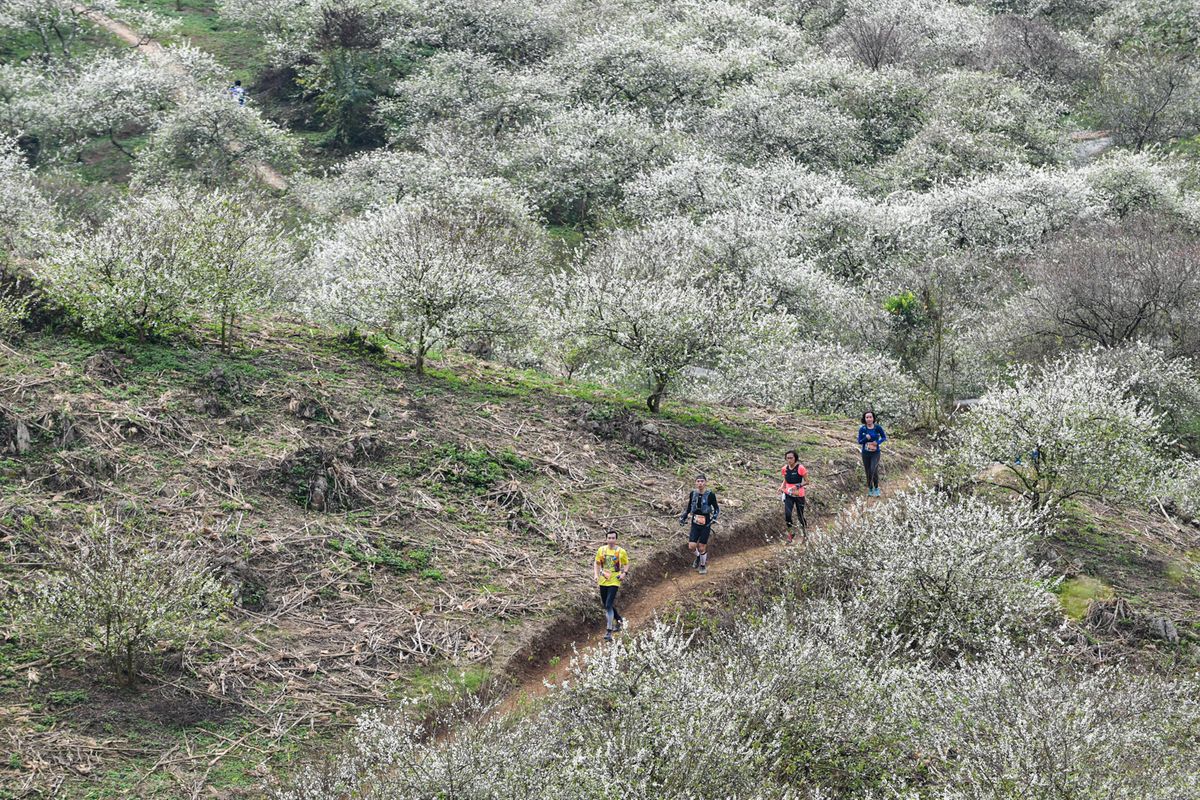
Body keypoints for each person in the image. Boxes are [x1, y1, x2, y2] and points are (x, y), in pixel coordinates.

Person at [678, 473, 719, 575]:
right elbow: (689, 507)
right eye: (698, 481)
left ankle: (702, 565)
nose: (700, 483)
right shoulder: (693, 494)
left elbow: (716, 508)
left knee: (701, 547)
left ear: (705, 483)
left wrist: (714, 518)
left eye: (702, 481)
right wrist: (684, 516)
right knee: (691, 546)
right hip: (695, 522)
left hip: (706, 523)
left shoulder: (710, 495)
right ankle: (698, 557)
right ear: (695, 483)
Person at [593, 530, 629, 642]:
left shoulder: (621, 551)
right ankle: (619, 620)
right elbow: (597, 563)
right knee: (606, 604)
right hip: (603, 580)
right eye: (609, 538)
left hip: (614, 580)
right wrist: (596, 574)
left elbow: (627, 563)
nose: (611, 540)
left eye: (613, 538)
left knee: (608, 604)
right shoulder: (602, 550)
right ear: (606, 539)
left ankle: (609, 631)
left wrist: (624, 573)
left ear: (616, 539)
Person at [778, 449, 808, 544]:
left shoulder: (800, 468)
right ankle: (791, 534)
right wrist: (782, 487)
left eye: (791, 458)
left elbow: (807, 481)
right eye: (787, 458)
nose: (789, 460)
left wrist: (797, 486)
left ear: (795, 458)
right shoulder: (784, 469)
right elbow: (786, 480)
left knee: (800, 516)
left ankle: (805, 534)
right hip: (788, 494)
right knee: (787, 515)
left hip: (799, 494)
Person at [858, 411, 887, 497]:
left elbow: (884, 437)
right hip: (865, 453)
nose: (869, 419)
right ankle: (870, 488)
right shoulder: (862, 429)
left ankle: (877, 488)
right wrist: (865, 438)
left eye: (870, 417)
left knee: (873, 469)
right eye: (867, 417)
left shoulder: (877, 427)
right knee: (868, 472)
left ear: (873, 418)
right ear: (865, 419)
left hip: (875, 453)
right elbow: (859, 441)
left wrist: (877, 442)